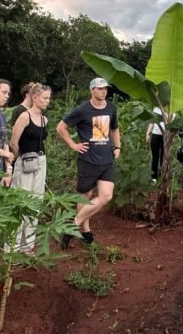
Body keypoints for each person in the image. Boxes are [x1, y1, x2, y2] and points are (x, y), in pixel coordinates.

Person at [57, 77, 121, 248]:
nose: (103, 91)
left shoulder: (111, 108)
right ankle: (85, 231)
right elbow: (61, 127)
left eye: (105, 89)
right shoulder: (82, 110)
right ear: (92, 90)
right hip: (88, 159)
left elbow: (114, 128)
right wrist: (73, 144)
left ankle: (74, 224)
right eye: (100, 89)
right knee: (85, 196)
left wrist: (118, 147)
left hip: (106, 158)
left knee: (106, 196)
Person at [9, 83, 51, 253]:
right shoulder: (24, 116)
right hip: (25, 160)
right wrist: (22, 156)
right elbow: (13, 141)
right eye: (45, 98)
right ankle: (13, 245)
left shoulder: (44, 119)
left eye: (49, 98)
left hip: (41, 161)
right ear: (35, 97)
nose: (48, 101)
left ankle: (28, 245)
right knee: (21, 200)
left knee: (35, 200)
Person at [145, 107, 166, 183]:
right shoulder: (156, 109)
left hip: (165, 136)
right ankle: (154, 177)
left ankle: (162, 175)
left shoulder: (171, 110)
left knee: (163, 157)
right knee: (155, 156)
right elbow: (152, 122)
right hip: (155, 134)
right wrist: (148, 133)